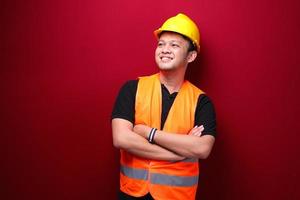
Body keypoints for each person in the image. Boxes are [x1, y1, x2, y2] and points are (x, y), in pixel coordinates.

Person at [111, 13, 216, 200]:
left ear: (191, 56)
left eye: (174, 45)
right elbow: (122, 138)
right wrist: (177, 153)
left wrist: (148, 133)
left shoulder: (201, 101)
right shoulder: (132, 89)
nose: (165, 49)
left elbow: (202, 149)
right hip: (132, 194)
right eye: (161, 44)